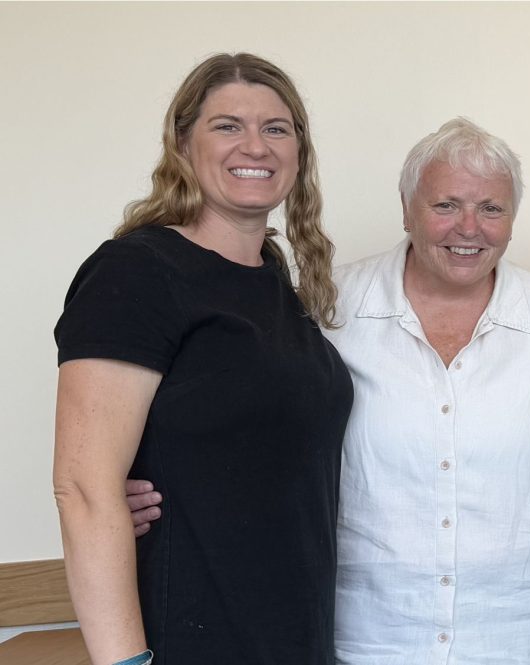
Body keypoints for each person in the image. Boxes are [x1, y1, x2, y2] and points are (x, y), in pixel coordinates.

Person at [129, 117, 530, 664]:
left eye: (492, 209)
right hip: (368, 639)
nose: (469, 228)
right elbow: (250, 424)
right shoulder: (327, 306)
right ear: (407, 209)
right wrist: (148, 484)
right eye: (446, 205)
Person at [53, 53, 353, 665]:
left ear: (300, 152)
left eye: (277, 128)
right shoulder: (138, 271)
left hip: (294, 634)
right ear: (183, 143)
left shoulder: (272, 279)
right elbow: (84, 488)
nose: (257, 145)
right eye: (227, 125)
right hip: (192, 638)